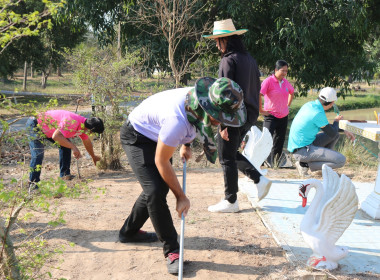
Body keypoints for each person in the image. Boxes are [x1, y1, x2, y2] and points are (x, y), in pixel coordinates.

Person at [118, 77, 246, 275]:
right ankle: (172, 250)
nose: (222, 121)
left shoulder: (201, 100)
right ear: (209, 110)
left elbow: (194, 122)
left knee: (155, 188)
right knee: (155, 190)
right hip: (139, 136)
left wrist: (185, 144)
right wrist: (180, 197)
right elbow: (161, 161)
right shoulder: (176, 122)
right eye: (221, 117)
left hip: (159, 133)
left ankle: (129, 232)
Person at [203, 18, 272, 213]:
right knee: (231, 153)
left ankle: (231, 200)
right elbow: (256, 88)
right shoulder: (249, 59)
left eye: (218, 41)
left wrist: (223, 125)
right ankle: (259, 179)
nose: (217, 46)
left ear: (226, 40)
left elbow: (224, 94)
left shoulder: (228, 60)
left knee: (226, 157)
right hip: (249, 114)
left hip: (233, 116)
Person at [287, 87, 355, 177]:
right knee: (341, 160)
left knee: (335, 135)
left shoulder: (310, 105)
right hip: (302, 151)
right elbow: (332, 132)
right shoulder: (317, 113)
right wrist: (336, 121)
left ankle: (324, 163)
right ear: (332, 103)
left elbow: (328, 129)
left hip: (301, 146)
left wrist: (344, 130)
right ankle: (303, 165)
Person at [26, 110, 104, 185]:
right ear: (90, 130)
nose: (91, 135)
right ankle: (33, 183)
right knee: (38, 154)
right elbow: (56, 136)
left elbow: (87, 142)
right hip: (36, 124)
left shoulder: (84, 126)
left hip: (50, 129)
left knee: (66, 146)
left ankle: (65, 175)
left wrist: (93, 156)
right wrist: (74, 147)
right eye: (93, 133)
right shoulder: (71, 121)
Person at [259, 60, 294, 168]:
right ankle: (259, 161)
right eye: (282, 70)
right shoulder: (268, 81)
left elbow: (291, 92)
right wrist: (261, 110)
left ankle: (275, 162)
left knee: (279, 140)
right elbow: (259, 94)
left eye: (286, 71)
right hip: (270, 116)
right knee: (266, 139)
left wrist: (287, 105)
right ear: (275, 70)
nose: (284, 73)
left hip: (283, 116)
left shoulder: (285, 82)